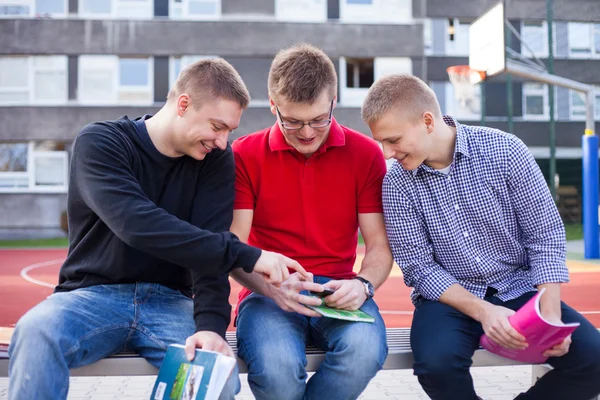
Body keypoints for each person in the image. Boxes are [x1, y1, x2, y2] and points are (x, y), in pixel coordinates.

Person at [8, 58, 308, 400]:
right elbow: (138, 225)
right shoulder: (101, 143)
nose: (224, 142)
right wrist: (248, 255)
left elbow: (209, 246)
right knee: (35, 332)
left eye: (230, 131)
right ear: (183, 104)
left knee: (215, 379)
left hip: (170, 304)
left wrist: (211, 327)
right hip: (92, 296)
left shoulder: (215, 160)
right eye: (217, 126)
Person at [361, 73, 600, 400]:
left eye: (393, 140)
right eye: (381, 143)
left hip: (517, 285)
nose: (387, 153)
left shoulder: (505, 151)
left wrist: (551, 319)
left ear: (427, 121)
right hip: (449, 297)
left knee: (594, 361)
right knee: (436, 365)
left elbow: (544, 237)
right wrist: (484, 311)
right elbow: (419, 268)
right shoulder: (396, 184)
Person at [229, 44, 393, 400]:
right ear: (273, 105)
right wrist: (271, 287)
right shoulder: (243, 155)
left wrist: (363, 285)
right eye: (292, 121)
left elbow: (379, 246)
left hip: (339, 291)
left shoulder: (365, 154)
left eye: (319, 119)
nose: (307, 132)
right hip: (266, 293)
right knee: (276, 371)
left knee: (364, 351)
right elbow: (234, 248)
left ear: (333, 101)